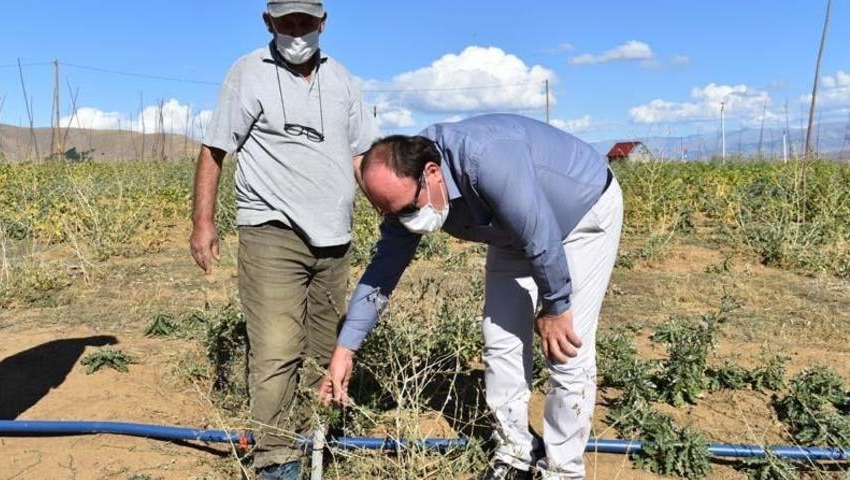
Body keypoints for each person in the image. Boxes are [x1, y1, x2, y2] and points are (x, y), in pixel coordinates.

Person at [319, 114, 624, 480]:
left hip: (581, 216)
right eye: (392, 214)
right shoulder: (406, 195)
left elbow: (541, 234)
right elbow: (382, 274)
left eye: (408, 210)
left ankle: (563, 469)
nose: (406, 220)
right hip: (511, 231)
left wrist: (556, 306)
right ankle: (515, 454)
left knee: (566, 349)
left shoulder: (486, 159)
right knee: (500, 342)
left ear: (432, 173)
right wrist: (345, 349)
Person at [189, 1, 379, 478]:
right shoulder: (248, 73)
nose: (297, 32)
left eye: (306, 23)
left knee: (324, 350)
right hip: (271, 232)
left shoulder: (344, 82)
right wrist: (203, 222)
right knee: (276, 348)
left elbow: (361, 156)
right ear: (268, 22)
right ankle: (277, 460)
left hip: (334, 240)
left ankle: (315, 439)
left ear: (323, 23)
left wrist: (388, 205)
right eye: (286, 22)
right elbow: (215, 150)